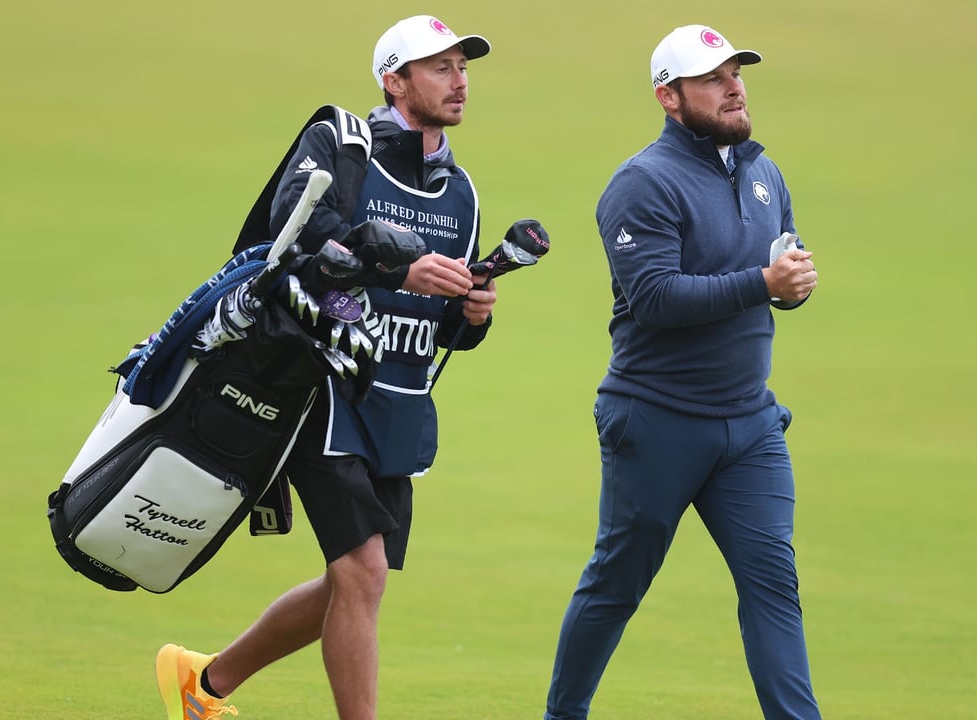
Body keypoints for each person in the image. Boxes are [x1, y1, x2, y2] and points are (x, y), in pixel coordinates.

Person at [155, 15, 514, 720]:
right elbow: (296, 244)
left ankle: (204, 685)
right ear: (394, 79)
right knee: (363, 571)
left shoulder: (462, 193)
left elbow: (440, 326)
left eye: (462, 67)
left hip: (399, 406)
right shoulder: (341, 147)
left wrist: (473, 316)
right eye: (439, 67)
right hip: (321, 387)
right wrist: (401, 268)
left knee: (353, 583)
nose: (460, 80)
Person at [542, 24, 821, 720]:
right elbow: (657, 299)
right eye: (712, 79)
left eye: (736, 73)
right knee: (617, 585)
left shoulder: (762, 172)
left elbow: (782, 265)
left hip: (749, 427)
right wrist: (764, 282)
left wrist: (794, 282)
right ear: (670, 98)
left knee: (773, 584)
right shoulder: (643, 183)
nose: (733, 87)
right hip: (657, 420)